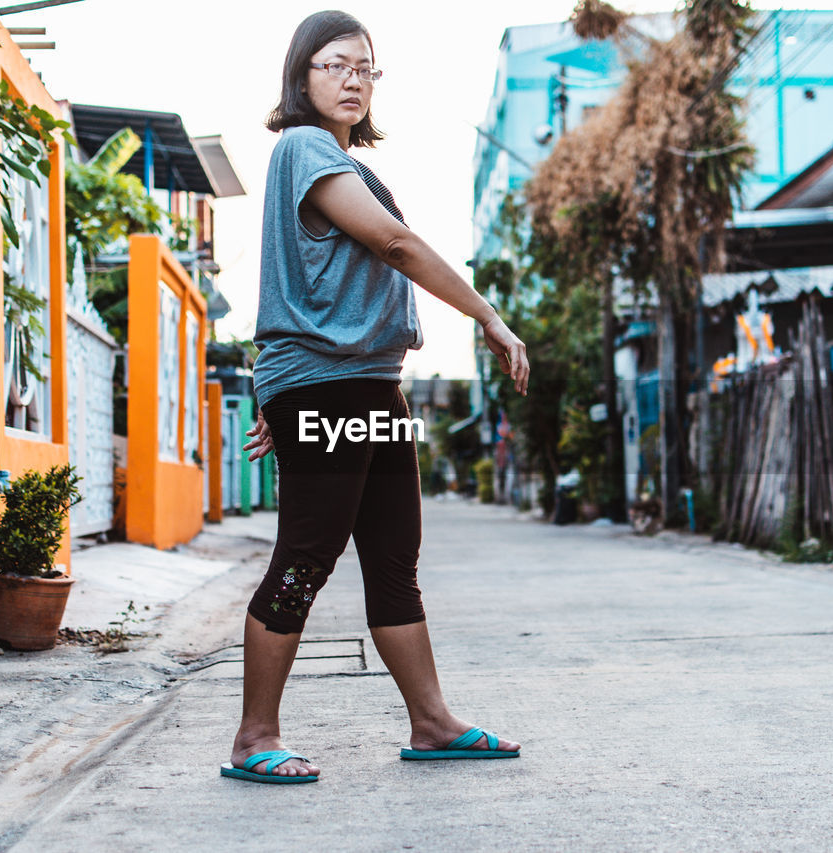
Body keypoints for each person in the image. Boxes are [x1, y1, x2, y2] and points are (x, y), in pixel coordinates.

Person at [221, 10, 530, 785]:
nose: (354, 78)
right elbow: (394, 245)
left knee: (395, 559)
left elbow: (324, 278)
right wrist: (485, 314)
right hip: (326, 386)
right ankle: (255, 734)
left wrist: (277, 382)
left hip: (368, 383)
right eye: (335, 64)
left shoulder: (343, 159)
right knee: (307, 555)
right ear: (301, 76)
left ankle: (432, 721)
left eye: (366, 67)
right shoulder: (303, 148)